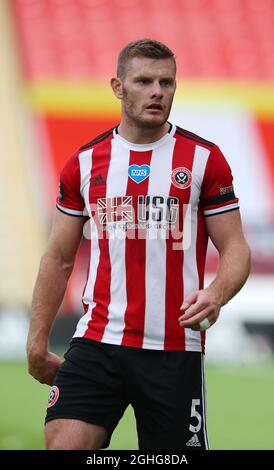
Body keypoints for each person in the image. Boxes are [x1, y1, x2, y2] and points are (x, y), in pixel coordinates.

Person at [26, 39, 251, 450]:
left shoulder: (205, 159)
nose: (157, 92)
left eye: (166, 82)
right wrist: (36, 342)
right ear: (118, 87)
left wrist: (217, 294)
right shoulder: (83, 163)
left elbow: (235, 247)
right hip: (98, 340)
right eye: (144, 81)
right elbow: (57, 258)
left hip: (173, 347)